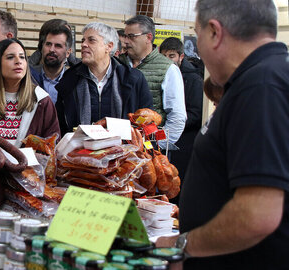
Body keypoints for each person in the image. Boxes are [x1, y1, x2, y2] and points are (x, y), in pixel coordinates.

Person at [156, 1, 289, 269]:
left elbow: (257, 215)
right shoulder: (259, 80)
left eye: (199, 33)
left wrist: (181, 246)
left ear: (215, 32)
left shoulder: (261, 86)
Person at [56, 22, 153, 135]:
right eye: (83, 40)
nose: (83, 44)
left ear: (109, 46)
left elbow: (147, 123)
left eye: (91, 40)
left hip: (124, 150)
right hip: (80, 150)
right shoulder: (69, 80)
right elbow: (60, 124)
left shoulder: (133, 79)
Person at [0, 39, 60, 147]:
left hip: (31, 164)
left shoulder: (42, 100)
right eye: (10, 57)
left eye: (22, 57)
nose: (18, 61)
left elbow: (52, 146)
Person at [124, 15, 186, 148]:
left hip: (150, 151)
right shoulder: (118, 64)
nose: (126, 41)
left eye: (132, 36)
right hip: (118, 149)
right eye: (125, 36)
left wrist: (155, 145)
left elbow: (177, 117)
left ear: (148, 37)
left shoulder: (168, 69)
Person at [160, 37, 203, 201]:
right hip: (168, 139)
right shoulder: (164, 74)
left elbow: (197, 112)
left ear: (181, 56)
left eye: (171, 56)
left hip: (185, 142)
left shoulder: (194, 80)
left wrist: (175, 120)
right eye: (164, 56)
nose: (168, 61)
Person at [31, 19, 73, 103]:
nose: (51, 50)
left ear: (68, 53)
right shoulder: (29, 77)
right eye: (48, 44)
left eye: (58, 46)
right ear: (42, 46)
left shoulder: (74, 82)